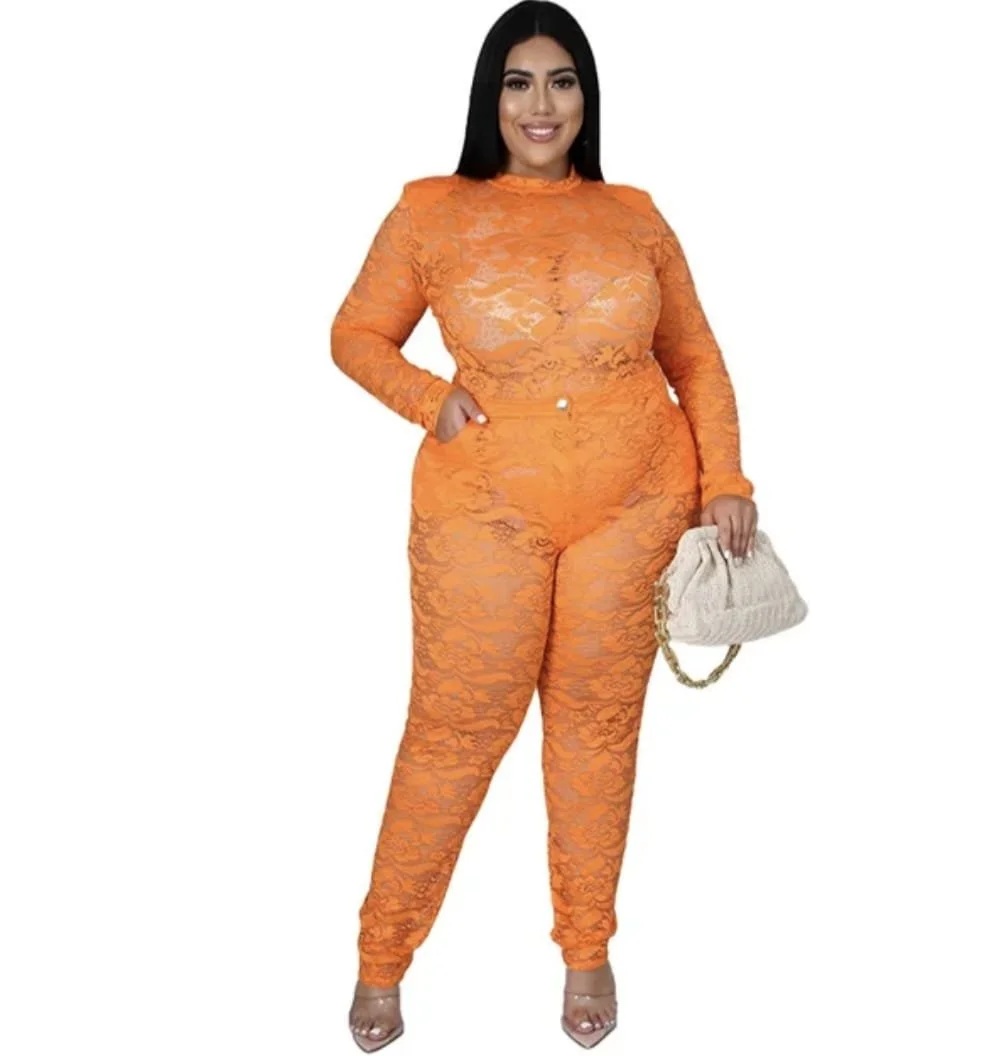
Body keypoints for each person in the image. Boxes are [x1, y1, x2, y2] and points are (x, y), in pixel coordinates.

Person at [330, 1, 758, 1049]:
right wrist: (427, 398)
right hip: (483, 503)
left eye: (561, 81)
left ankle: (586, 947)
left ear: (585, 99)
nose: (540, 103)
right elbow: (355, 334)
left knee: (596, 730)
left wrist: (726, 479)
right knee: (454, 731)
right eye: (517, 81)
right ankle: (383, 957)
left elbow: (695, 358)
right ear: (490, 97)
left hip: (636, 503)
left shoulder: (636, 215)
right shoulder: (430, 210)